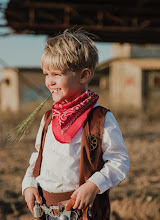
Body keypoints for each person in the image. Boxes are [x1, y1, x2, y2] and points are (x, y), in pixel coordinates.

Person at [22, 29, 129, 220]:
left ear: (83, 76)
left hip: (83, 213)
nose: (49, 82)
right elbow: (38, 156)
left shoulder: (100, 119)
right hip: (46, 211)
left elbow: (119, 161)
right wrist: (29, 183)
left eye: (56, 74)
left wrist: (93, 185)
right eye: (46, 74)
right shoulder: (49, 118)